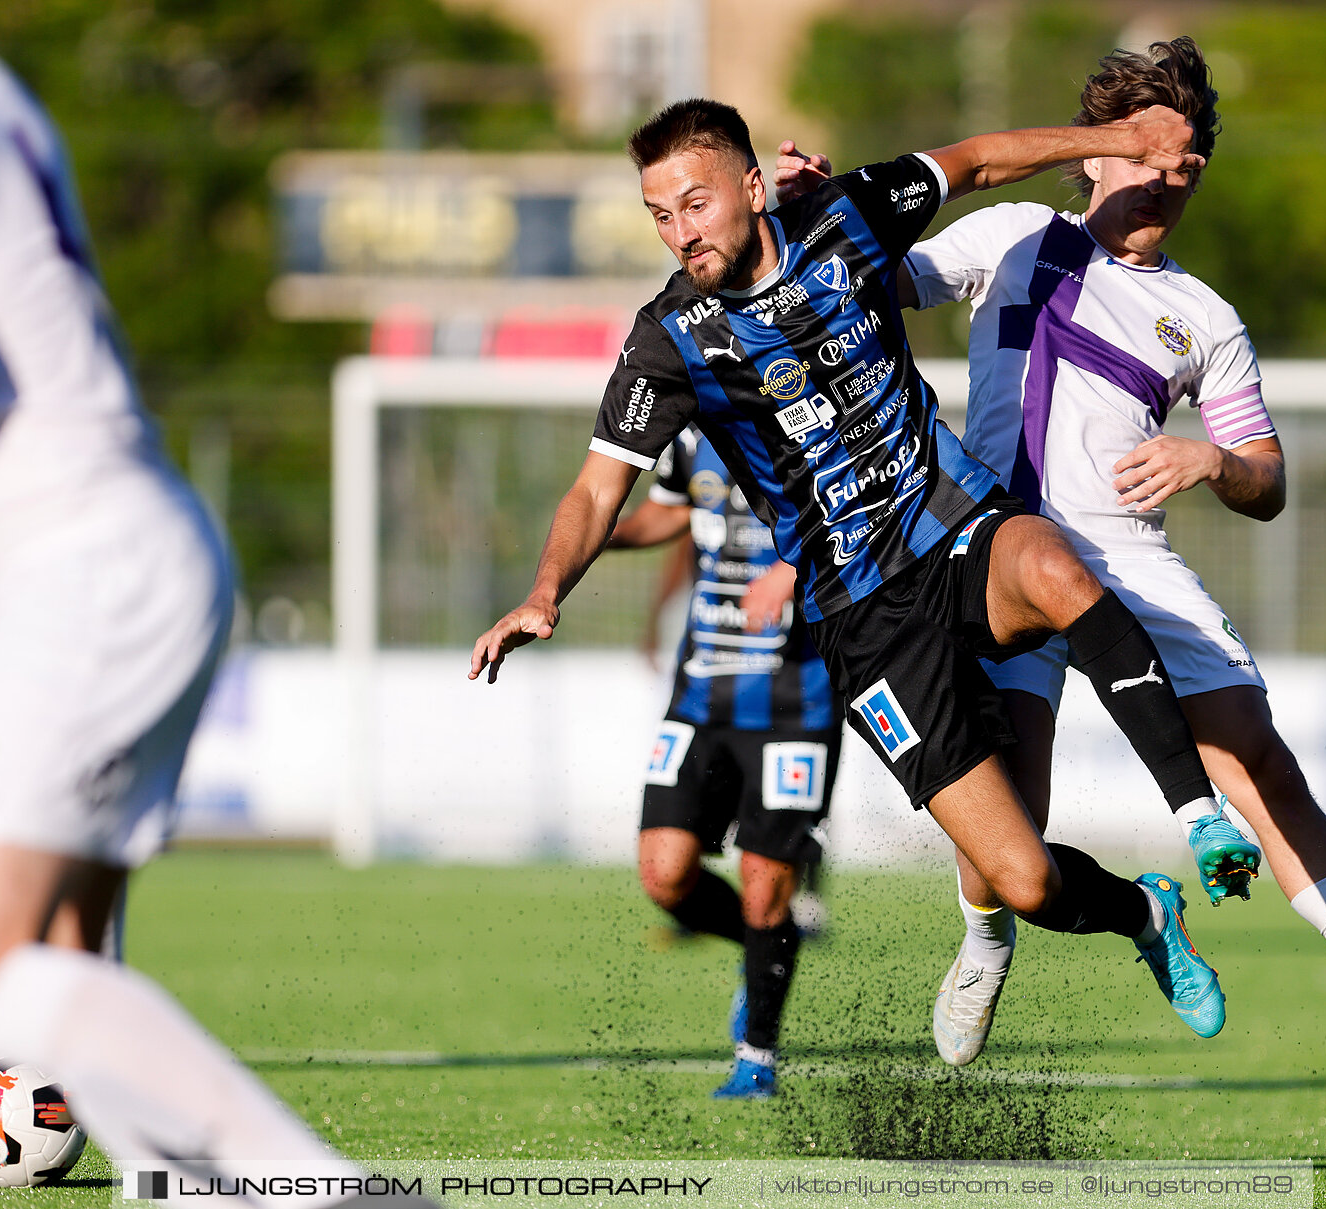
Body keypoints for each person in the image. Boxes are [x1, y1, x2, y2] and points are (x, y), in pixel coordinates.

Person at [473, 96, 1248, 1097]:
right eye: (661, 214)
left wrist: (1117, 141)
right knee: (1025, 881)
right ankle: (1147, 915)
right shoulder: (669, 339)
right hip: (863, 620)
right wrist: (545, 593)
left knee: (1058, 572)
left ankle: (1200, 810)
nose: (681, 230)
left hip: (953, 520)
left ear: (752, 187)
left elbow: (976, 159)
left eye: (696, 202)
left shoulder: (847, 215)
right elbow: (595, 487)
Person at [774, 36, 1326, 1069]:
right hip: (999, 551)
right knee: (1007, 835)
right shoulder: (1016, 235)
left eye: (1187, 165)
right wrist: (812, 205)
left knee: (1254, 753)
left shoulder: (1206, 318)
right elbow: (861, 283)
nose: (1167, 180)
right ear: (1095, 154)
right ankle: (985, 935)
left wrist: (1211, 464)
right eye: (1147, 155)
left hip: (1127, 559)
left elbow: (1267, 479)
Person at [0, 9, 421, 1204]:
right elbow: (18, 356)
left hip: (73, 572)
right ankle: (184, 1179)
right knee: (58, 951)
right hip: (127, 537)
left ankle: (321, 1189)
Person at [607, 426, 838, 1098]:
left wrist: (792, 570)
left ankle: (756, 1058)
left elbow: (870, 520)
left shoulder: (818, 422)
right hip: (703, 692)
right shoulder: (689, 432)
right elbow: (674, 507)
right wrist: (602, 533)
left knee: (766, 882)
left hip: (798, 698)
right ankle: (763, 949)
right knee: (663, 874)